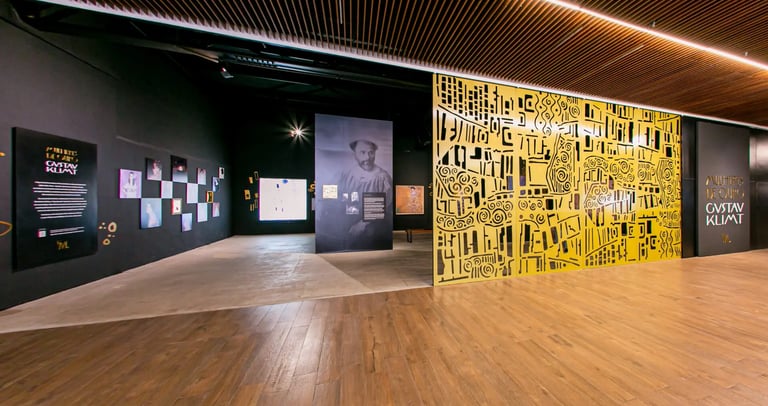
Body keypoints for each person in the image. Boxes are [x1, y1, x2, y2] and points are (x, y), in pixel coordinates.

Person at [335, 139, 393, 249]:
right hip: (349, 223)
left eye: (371, 152)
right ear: (355, 154)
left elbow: (383, 205)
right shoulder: (348, 174)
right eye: (362, 152)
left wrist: (362, 224)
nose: (367, 157)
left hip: (373, 227)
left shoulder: (382, 177)